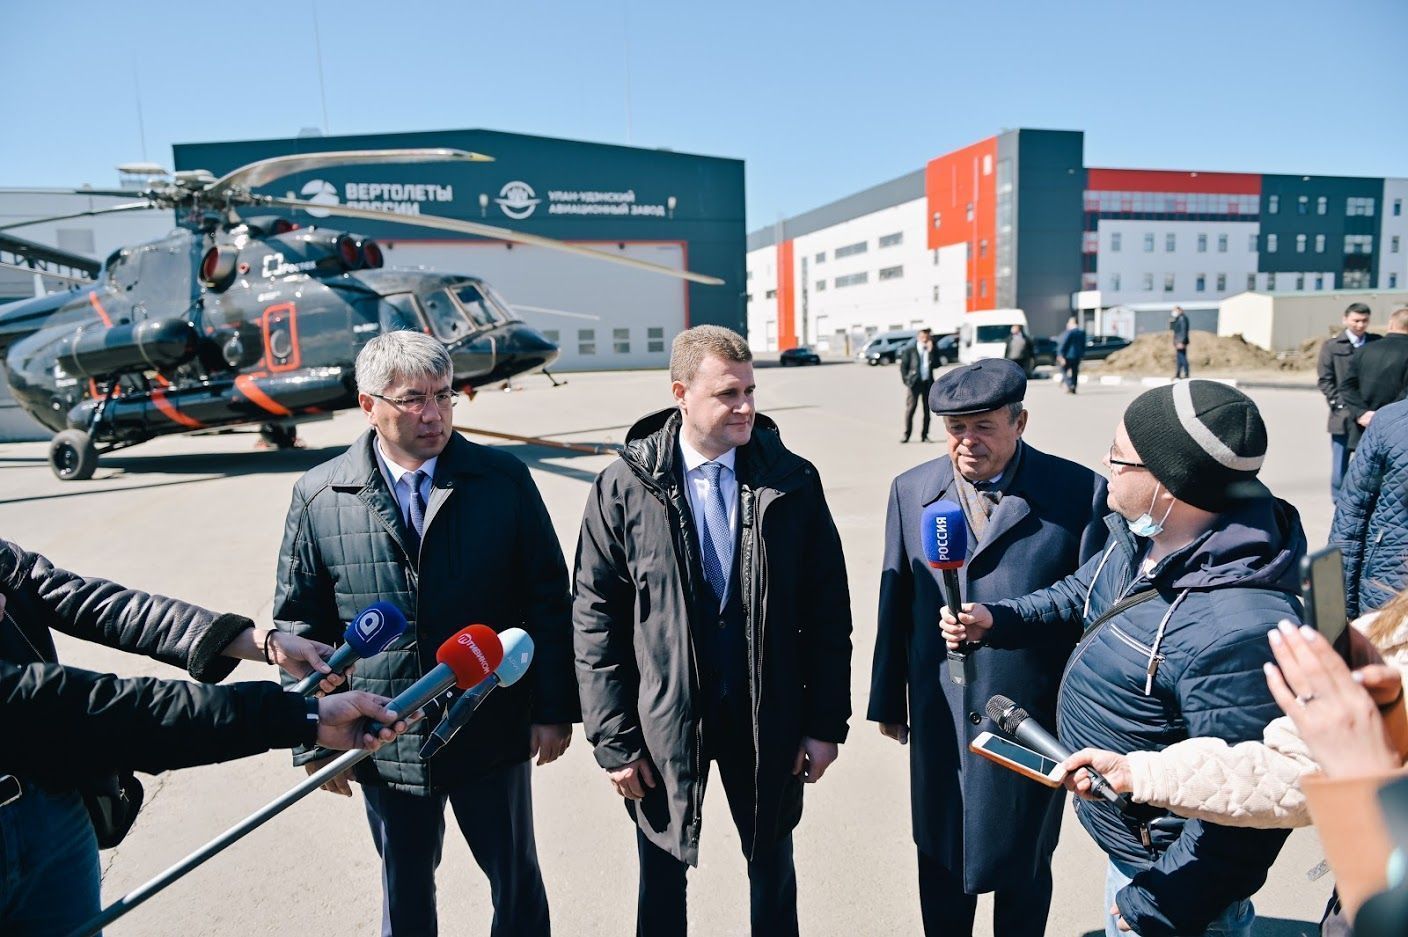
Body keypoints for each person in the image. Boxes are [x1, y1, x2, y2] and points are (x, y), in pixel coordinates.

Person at [941, 379, 1307, 937]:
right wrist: (1000, 618)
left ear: (1170, 482)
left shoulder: (1237, 630)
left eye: (1119, 457)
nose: (1105, 466)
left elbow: (1244, 815)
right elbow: (1083, 593)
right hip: (1132, 848)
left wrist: (1158, 904)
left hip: (1172, 887)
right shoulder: (1142, 534)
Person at [273, 329, 579, 937]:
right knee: (404, 891)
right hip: (383, 735)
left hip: (489, 724)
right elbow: (299, 623)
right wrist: (313, 740)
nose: (434, 414)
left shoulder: (502, 480)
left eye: (443, 395)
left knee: (516, 884)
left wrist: (554, 709)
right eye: (413, 399)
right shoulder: (320, 494)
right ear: (369, 405)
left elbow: (548, 599)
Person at [573, 325, 852, 937]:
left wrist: (825, 723)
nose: (745, 406)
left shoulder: (792, 481)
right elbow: (595, 621)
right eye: (728, 394)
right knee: (660, 874)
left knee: (773, 868)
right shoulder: (624, 488)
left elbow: (829, 612)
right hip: (664, 718)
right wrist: (615, 740)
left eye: (750, 391)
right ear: (681, 393)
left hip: (768, 715)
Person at [0, 540, 409, 937]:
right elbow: (98, 710)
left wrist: (261, 643)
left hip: (53, 807)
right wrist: (302, 718)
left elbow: (91, 601)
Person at [868, 358, 1108, 936]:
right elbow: (896, 600)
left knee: (1025, 856)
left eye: (983, 427)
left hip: (1030, 716)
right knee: (941, 850)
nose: (967, 442)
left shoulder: (1077, 492)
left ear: (1020, 422)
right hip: (941, 712)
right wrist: (889, 700)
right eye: (955, 428)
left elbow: (1091, 603)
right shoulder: (913, 490)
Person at [1331, 398, 1408, 619]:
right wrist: (1340, 604)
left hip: (1383, 591)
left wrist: (1338, 608)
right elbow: (1352, 513)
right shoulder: (1391, 420)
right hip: (1386, 591)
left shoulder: (1390, 418)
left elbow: (1352, 515)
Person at [1317, 302, 1378, 495]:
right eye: (1356, 320)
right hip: (1343, 415)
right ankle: (1338, 500)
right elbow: (1325, 380)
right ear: (1345, 319)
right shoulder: (1332, 346)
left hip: (1370, 415)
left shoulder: (1376, 343)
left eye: (1364, 321)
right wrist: (1342, 404)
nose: (1360, 325)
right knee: (1339, 467)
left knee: (1368, 464)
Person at [1341, 306, 1408, 447]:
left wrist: (1361, 412)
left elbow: (1347, 386)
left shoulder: (1364, 349)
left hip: (1365, 429)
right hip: (1400, 433)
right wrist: (1386, 416)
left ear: (1390, 324)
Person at [899, 328, 942, 443]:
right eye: (923, 336)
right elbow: (903, 367)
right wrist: (907, 381)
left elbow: (937, 364)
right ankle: (907, 434)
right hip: (914, 383)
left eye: (927, 337)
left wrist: (931, 351)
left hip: (927, 383)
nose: (925, 339)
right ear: (918, 337)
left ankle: (925, 435)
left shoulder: (932, 349)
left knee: (927, 410)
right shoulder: (910, 350)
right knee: (911, 409)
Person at [1056, 316, 1088, 394]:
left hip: (1068, 356)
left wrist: (1060, 354)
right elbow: (1083, 345)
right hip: (1077, 356)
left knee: (1063, 370)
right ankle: (1074, 386)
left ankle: (1070, 384)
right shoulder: (1082, 332)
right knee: (1075, 372)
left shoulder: (1070, 332)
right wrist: (1082, 355)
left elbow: (1064, 344)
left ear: (1072, 323)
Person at [1170, 306, 1190, 379]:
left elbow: (1183, 331)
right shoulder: (1178, 318)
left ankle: (1186, 374)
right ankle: (1178, 374)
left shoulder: (1182, 318)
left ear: (1179, 311)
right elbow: (1175, 329)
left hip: (1180, 341)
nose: (1173, 312)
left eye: (1175, 311)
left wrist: (1181, 342)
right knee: (1179, 359)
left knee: (1182, 358)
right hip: (1178, 341)